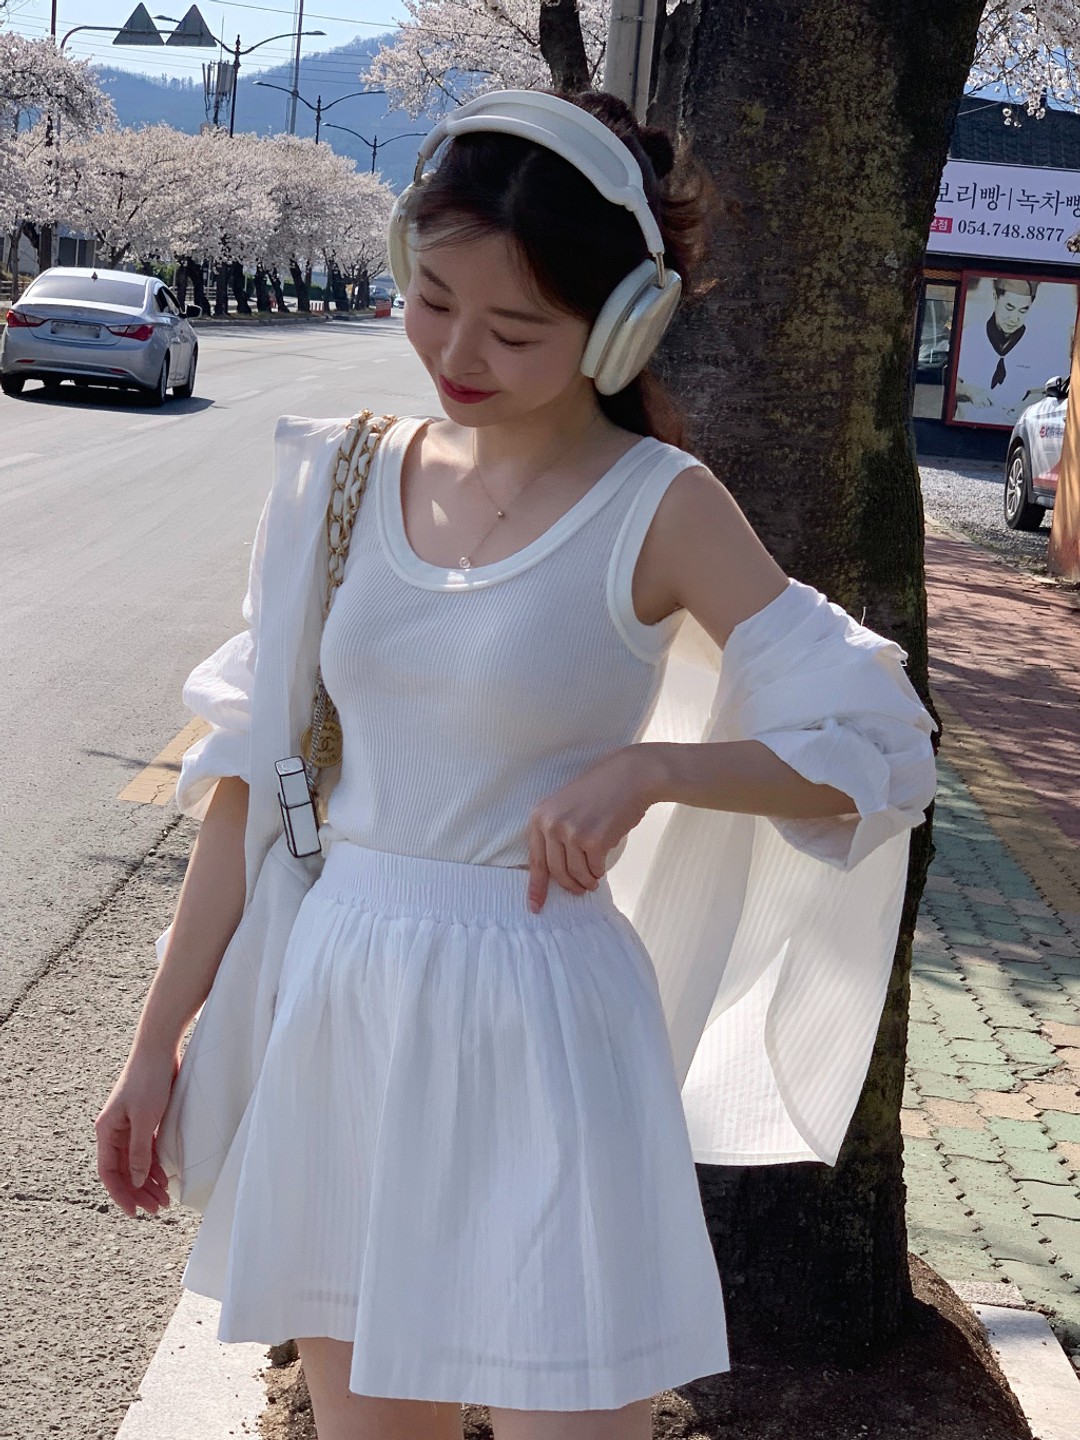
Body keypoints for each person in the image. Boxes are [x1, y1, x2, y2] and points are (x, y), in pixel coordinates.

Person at [95, 91, 937, 1440]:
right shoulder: (340, 482)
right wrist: (156, 1050)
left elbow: (877, 750)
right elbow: (252, 782)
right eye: (433, 300)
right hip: (346, 1004)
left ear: (620, 327)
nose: (457, 351)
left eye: (516, 327)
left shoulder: (660, 508)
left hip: (546, 1024)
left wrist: (656, 772)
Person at [953, 277, 1044, 426]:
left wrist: (1025, 407)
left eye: (1023, 311)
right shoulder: (970, 336)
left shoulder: (1036, 346)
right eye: (1009, 308)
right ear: (995, 297)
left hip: (1011, 429)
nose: (1014, 319)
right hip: (968, 426)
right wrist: (969, 391)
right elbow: (952, 384)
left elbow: (1040, 391)